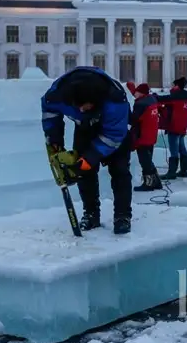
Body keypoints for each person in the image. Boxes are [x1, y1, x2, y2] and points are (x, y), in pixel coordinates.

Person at [42, 66, 133, 235]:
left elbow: (113, 136)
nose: (82, 109)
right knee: (84, 173)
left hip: (115, 130)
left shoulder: (114, 98)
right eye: (80, 107)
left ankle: (122, 216)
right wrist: (55, 142)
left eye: (87, 106)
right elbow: (50, 114)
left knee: (120, 171)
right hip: (84, 128)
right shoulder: (57, 94)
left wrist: (91, 158)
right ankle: (91, 214)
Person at [126, 82, 163, 192]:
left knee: (145, 162)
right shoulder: (151, 100)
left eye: (136, 92)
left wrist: (126, 109)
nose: (134, 94)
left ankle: (148, 183)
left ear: (141, 93)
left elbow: (133, 120)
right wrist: (132, 89)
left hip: (142, 137)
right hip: (151, 136)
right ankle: (156, 182)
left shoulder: (140, 104)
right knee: (148, 160)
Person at [157, 76, 187, 179]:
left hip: (174, 126)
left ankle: (172, 173)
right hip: (182, 127)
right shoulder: (185, 97)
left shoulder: (175, 96)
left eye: (173, 85)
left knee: (174, 150)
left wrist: (153, 96)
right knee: (182, 148)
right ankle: (183, 171)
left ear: (176, 86)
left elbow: (161, 99)